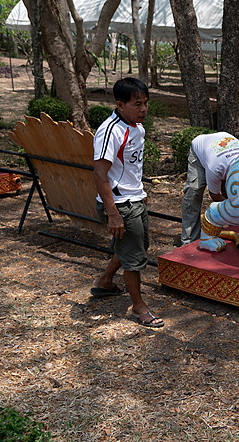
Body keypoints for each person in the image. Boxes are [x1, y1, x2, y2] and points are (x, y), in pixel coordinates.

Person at [91, 77, 163, 328]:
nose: (143, 109)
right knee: (134, 257)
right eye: (137, 104)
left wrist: (140, 191)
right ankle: (139, 308)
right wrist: (113, 213)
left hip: (134, 197)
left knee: (136, 247)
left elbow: (130, 166)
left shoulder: (137, 127)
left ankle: (104, 282)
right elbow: (100, 174)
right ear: (120, 105)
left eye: (146, 103)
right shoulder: (110, 131)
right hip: (120, 203)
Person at [181, 132, 239, 245]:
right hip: (200, 150)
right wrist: (234, 207)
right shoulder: (216, 168)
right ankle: (189, 241)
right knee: (194, 191)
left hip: (223, 143)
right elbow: (215, 195)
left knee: (236, 194)